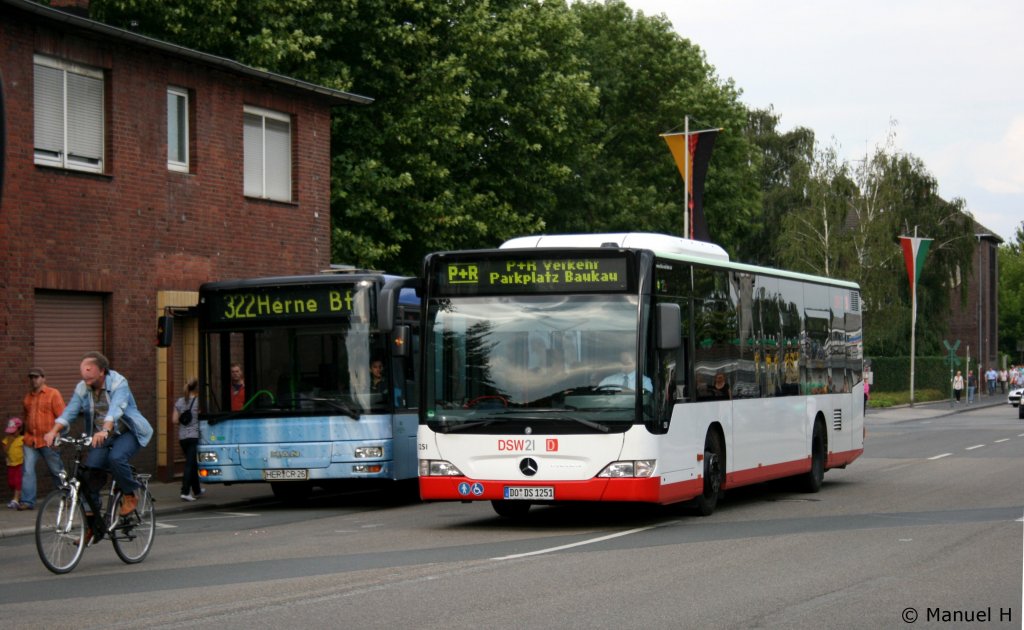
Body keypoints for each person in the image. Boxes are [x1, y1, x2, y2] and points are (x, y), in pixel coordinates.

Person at [43, 352, 153, 537]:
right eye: (83, 372)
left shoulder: (119, 383)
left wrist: (105, 429)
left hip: (127, 432)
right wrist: (54, 431)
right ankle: (94, 524)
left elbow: (116, 408)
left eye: (89, 371)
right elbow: (70, 410)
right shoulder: (83, 387)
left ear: (102, 371)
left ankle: (130, 494)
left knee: (116, 457)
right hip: (102, 436)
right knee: (88, 474)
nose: (85, 376)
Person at [19, 367, 66, 511]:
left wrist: (57, 434)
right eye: (31, 377)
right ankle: (27, 501)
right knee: (27, 470)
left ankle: (67, 496)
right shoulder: (28, 397)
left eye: (37, 377)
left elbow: (63, 417)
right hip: (30, 440)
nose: (34, 380)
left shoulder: (53, 394)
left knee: (56, 470)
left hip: (48, 440)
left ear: (43, 378)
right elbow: (26, 417)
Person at [174, 378, 203, 501]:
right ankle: (185, 491)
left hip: (182, 438)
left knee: (193, 463)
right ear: (196, 388)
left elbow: (174, 420)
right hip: (194, 436)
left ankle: (197, 490)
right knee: (189, 464)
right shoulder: (198, 401)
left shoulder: (180, 402)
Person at [2, 418, 24, 509]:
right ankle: (19, 496)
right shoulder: (6, 440)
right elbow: (5, 451)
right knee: (11, 483)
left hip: (20, 464)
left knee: (18, 481)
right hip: (11, 464)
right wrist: (9, 443)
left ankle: (15, 500)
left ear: (20, 430)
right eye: (10, 432)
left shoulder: (22, 439)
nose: (12, 434)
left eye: (14, 432)